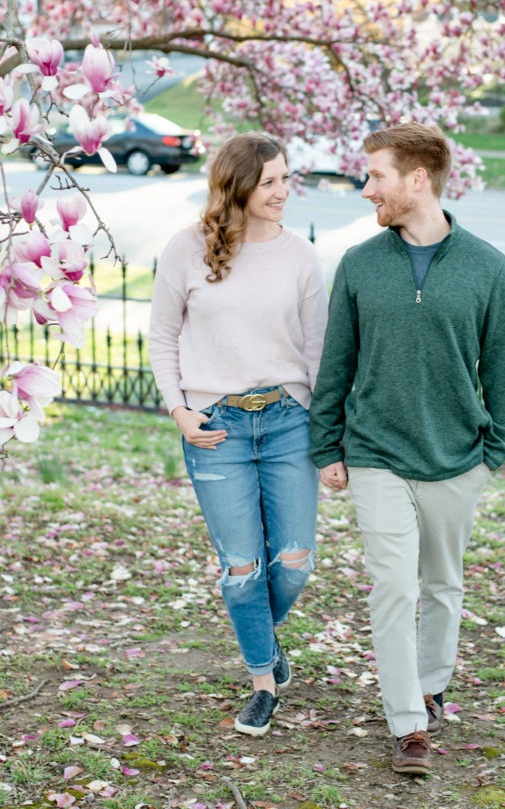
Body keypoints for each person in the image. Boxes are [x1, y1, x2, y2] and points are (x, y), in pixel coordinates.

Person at [309, 122, 505, 775]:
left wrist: (493, 449)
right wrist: (327, 446)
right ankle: (408, 725)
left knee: (442, 585)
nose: (366, 187)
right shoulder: (360, 264)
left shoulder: (487, 267)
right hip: (376, 454)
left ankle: (431, 685)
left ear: (417, 179)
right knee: (394, 587)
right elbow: (335, 363)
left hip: (458, 459)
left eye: (376, 176)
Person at [149, 132, 328, 737]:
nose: (283, 191)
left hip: (287, 422)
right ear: (239, 186)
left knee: (295, 563)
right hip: (215, 427)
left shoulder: (301, 256)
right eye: (270, 181)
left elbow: (319, 351)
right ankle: (261, 679)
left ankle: (262, 633)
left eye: (285, 178)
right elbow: (163, 337)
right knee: (243, 568)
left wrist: (327, 430)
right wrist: (179, 410)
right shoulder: (187, 250)